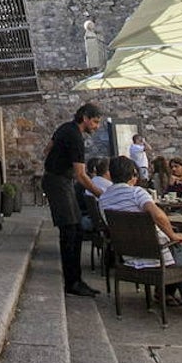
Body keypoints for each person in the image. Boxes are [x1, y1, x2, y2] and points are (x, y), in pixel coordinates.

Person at [98, 155, 182, 316]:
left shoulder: (103, 199)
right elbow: (159, 216)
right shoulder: (137, 193)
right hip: (159, 254)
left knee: (177, 255)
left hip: (130, 256)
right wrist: (173, 235)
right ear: (133, 175)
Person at [42, 103, 105, 296]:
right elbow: (81, 174)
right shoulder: (76, 137)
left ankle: (75, 279)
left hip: (56, 179)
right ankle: (72, 282)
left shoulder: (64, 128)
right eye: (95, 122)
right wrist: (101, 194)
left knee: (75, 229)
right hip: (59, 182)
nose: (96, 126)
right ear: (85, 117)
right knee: (70, 231)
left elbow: (48, 149)